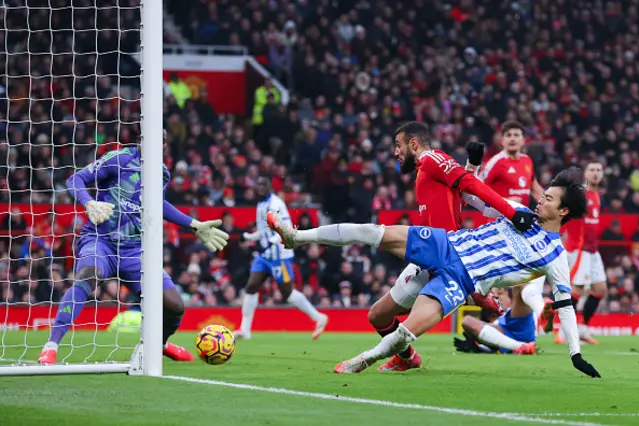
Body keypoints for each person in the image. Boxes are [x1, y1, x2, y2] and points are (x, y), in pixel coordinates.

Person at [266, 168, 601, 378]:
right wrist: (471, 169)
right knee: (375, 232)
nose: (540, 201)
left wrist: (575, 353)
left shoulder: (555, 257)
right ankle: (296, 236)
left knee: (409, 329)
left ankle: (364, 360)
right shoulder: (521, 213)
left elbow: (566, 308)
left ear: (564, 210)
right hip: (445, 244)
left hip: (462, 278)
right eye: (542, 196)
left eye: (548, 199)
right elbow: (475, 195)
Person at [38, 131, 229, 365]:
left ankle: (159, 345)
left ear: (164, 146)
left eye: (160, 142)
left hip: (134, 251)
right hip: (101, 240)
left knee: (175, 304)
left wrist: (193, 224)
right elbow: (75, 180)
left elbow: (158, 204)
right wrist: (88, 203)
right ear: (140, 140)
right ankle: (51, 346)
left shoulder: (161, 173)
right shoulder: (118, 159)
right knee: (88, 275)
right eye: (148, 139)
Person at [368, 122, 533, 372]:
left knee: (402, 320)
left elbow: (470, 185)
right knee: (378, 315)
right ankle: (407, 357)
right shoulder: (427, 170)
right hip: (428, 257)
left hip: (445, 257)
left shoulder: (433, 158)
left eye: (398, 146)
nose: (395, 152)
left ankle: (479, 297)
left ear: (414, 144)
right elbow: (460, 198)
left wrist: (511, 213)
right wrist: (473, 165)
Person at [235, 176, 328, 340]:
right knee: (251, 286)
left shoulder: (276, 205)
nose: (261, 188)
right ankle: (245, 330)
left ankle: (318, 317)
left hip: (279, 255)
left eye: (264, 185)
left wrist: (267, 244)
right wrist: (249, 237)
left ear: (270, 188)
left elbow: (284, 229)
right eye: (259, 185)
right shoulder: (261, 204)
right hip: (265, 255)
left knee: (288, 293)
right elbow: (264, 231)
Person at [477, 121, 547, 330]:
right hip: (498, 229)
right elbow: (476, 187)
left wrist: (550, 209)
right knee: (493, 280)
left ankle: (524, 326)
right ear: (502, 139)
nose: (513, 138)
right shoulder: (496, 163)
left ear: (523, 140)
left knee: (521, 280)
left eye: (517, 134)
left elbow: (535, 190)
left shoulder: (527, 161)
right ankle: (534, 316)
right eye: (509, 135)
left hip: (521, 228)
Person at [556, 161, 605, 345]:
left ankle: (582, 330)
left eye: (598, 170)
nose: (595, 173)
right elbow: (566, 215)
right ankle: (564, 330)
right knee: (577, 289)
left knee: (600, 289)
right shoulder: (580, 194)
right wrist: (562, 237)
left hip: (593, 251)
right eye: (592, 170)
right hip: (580, 249)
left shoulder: (597, 195)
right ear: (585, 173)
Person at [455, 287, 537, 355]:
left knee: (519, 287)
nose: (496, 296)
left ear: (510, 298)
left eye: (500, 293)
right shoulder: (491, 317)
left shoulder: (517, 311)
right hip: (504, 334)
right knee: (467, 321)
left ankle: (541, 309)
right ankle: (523, 347)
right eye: (492, 294)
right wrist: (481, 347)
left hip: (518, 326)